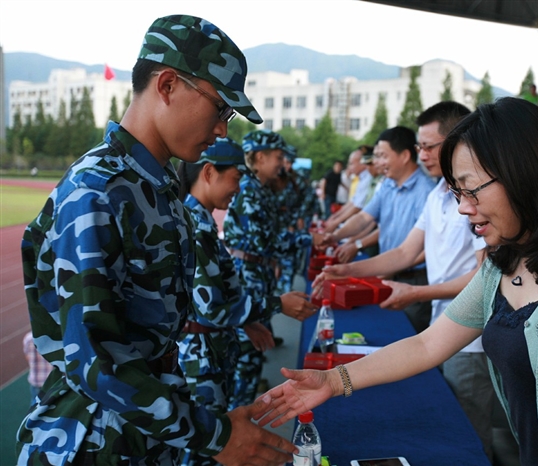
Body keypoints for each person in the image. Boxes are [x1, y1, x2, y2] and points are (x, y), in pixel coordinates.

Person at [257, 98, 538, 466]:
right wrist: (334, 381)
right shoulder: (505, 261)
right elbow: (429, 344)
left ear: (525, 177)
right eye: (457, 192)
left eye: (472, 190)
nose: (462, 207)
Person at [16, 15, 295, 465]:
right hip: (96, 440)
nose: (222, 130)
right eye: (220, 109)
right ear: (167, 85)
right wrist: (216, 436)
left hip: (144, 429)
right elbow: (96, 360)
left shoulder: (153, 186)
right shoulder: (98, 190)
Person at [313, 101, 497, 460]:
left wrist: (417, 292)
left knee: (469, 437)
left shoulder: (476, 198)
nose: (422, 155)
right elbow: (404, 252)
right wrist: (347, 270)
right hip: (443, 324)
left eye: (428, 147)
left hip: (471, 337)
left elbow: (485, 277)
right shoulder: (438, 194)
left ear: (459, 142)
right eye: (419, 146)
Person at [176, 138, 317, 465]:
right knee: (205, 449)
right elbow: (212, 308)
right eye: (236, 178)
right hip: (200, 355)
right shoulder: (194, 225)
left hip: (210, 349)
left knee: (210, 442)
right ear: (209, 173)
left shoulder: (199, 219)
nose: (239, 188)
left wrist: (247, 319)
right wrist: (277, 304)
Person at [223, 130, 320, 409]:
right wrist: (308, 239)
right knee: (248, 350)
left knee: (256, 345)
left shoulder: (260, 188)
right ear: (260, 157)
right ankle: (239, 414)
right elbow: (264, 241)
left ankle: (245, 405)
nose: (282, 163)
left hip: (258, 272)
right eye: (278, 157)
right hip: (248, 274)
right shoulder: (249, 190)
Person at [320, 127, 436, 333]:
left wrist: (392, 267)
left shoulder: (427, 192)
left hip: (413, 279)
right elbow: (364, 217)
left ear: (405, 156)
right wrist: (335, 235)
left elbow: (428, 248)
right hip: (388, 271)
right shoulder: (387, 185)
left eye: (383, 156)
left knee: (407, 337)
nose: (378, 162)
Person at [22, 331, 52, 404]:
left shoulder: (28, 338)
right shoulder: (50, 337)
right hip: (49, 379)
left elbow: (27, 357)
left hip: (35, 379)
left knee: (34, 403)